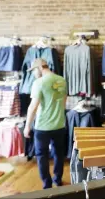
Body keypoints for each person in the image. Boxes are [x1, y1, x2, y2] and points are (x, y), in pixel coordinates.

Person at [24, 58, 67, 189]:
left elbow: (33, 107)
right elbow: (64, 102)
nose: (33, 73)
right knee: (59, 153)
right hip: (59, 125)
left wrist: (27, 126)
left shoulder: (39, 83)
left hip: (42, 126)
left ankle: (47, 184)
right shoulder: (62, 80)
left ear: (40, 67)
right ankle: (58, 179)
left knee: (42, 155)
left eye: (33, 70)